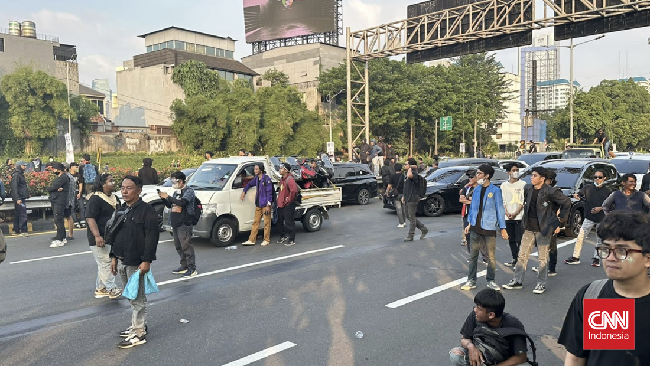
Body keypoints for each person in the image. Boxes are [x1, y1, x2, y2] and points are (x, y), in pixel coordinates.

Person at [558, 212, 650, 366]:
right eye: (606, 249)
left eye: (622, 250)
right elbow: (575, 357)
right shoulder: (591, 294)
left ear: (647, 259)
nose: (610, 257)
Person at [503, 167, 570, 294]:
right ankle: (517, 281)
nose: (531, 177)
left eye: (534, 175)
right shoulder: (528, 188)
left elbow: (566, 202)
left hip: (543, 229)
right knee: (521, 256)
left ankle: (541, 284)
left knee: (542, 258)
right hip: (529, 228)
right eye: (531, 175)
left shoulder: (551, 191)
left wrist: (559, 221)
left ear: (542, 178)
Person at [110, 175, 159, 349]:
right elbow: (116, 235)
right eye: (122, 187)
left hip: (136, 263)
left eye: (129, 188)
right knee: (131, 297)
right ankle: (137, 325)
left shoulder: (147, 211)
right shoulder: (123, 209)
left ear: (139, 190)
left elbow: (151, 238)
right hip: (122, 260)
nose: (124, 191)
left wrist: (146, 261)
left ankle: (139, 333)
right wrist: (113, 256)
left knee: (137, 298)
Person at [449, 289, 528, 366]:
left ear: (491, 315)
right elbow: (464, 339)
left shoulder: (513, 325)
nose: (474, 309)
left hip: (504, 361)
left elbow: (521, 357)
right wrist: (471, 346)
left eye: (479, 308)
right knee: (456, 355)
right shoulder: (475, 316)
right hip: (482, 357)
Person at [460, 164, 508, 291]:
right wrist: (469, 224)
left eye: (479, 173)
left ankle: (491, 280)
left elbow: (500, 210)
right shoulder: (476, 189)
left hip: (489, 227)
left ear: (487, 176)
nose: (477, 176)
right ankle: (471, 280)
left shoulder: (495, 191)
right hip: (475, 226)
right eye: (477, 173)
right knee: (473, 256)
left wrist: (503, 228)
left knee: (491, 256)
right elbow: (473, 208)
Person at [86, 173, 122, 299]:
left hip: (111, 236)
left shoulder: (114, 198)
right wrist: (97, 236)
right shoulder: (95, 199)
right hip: (100, 237)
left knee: (103, 263)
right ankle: (111, 289)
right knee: (106, 262)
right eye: (110, 181)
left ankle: (101, 288)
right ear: (103, 184)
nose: (113, 183)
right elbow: (90, 218)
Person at [565, 169, 612, 267]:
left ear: (604, 178)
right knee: (580, 237)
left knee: (600, 240)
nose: (597, 179)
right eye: (595, 177)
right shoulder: (588, 188)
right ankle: (575, 257)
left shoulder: (607, 191)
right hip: (589, 217)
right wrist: (577, 196)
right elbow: (579, 194)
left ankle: (597, 259)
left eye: (599, 177)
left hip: (602, 218)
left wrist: (600, 208)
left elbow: (611, 205)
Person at [159, 171, 197, 277]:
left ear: (181, 181)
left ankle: (192, 268)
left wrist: (169, 197)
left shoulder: (189, 191)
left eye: (175, 180)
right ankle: (184, 266)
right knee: (178, 246)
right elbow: (171, 205)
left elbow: (182, 202)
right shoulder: (176, 192)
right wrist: (164, 198)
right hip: (176, 223)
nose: (173, 183)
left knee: (186, 246)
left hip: (184, 223)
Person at [459, 170, 488, 264]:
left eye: (472, 177)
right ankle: (472, 256)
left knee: (481, 236)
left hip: (479, 215)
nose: (470, 179)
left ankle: (486, 257)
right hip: (467, 214)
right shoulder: (467, 188)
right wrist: (470, 200)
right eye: (469, 177)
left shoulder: (481, 188)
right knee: (468, 236)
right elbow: (461, 199)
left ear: (477, 178)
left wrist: (469, 200)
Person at [241, 164, 274, 246]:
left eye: (256, 169)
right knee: (255, 222)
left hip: (265, 204)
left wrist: (268, 205)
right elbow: (249, 184)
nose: (255, 171)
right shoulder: (256, 179)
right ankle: (252, 239)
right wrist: (244, 191)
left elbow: (269, 193)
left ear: (261, 170)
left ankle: (266, 239)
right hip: (258, 204)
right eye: (255, 169)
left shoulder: (266, 179)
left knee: (267, 223)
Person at [501, 163, 525, 268]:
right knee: (511, 239)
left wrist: (515, 213)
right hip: (508, 217)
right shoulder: (504, 185)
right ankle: (514, 259)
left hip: (519, 217)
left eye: (517, 170)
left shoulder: (523, 184)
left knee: (520, 239)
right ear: (508, 172)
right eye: (513, 170)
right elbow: (503, 201)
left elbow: (523, 201)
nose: (516, 172)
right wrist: (507, 213)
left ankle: (521, 261)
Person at [402, 158, 428, 242]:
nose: (404, 166)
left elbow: (410, 176)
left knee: (411, 217)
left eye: (406, 164)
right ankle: (423, 228)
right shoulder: (407, 173)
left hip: (412, 198)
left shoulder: (414, 173)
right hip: (407, 197)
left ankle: (411, 235)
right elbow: (407, 187)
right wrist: (403, 196)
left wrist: (410, 167)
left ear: (410, 165)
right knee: (408, 216)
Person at [47, 162, 70, 248]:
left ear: (59, 170)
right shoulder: (60, 177)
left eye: (55, 169)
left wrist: (52, 189)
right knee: (58, 219)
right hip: (56, 200)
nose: (54, 170)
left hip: (59, 201)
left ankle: (60, 240)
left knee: (58, 219)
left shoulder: (63, 178)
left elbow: (52, 187)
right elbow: (54, 187)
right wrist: (55, 189)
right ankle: (62, 236)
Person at [277, 163, 298, 246]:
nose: (280, 169)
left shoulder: (290, 179)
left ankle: (292, 239)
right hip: (281, 204)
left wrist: (288, 200)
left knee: (289, 222)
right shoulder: (282, 179)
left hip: (288, 205)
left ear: (286, 170)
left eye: (281, 168)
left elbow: (294, 191)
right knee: (279, 221)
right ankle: (283, 236)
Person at [79, 154, 99, 227]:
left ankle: (89, 219)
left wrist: (80, 190)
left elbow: (81, 178)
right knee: (95, 201)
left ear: (84, 160)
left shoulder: (82, 167)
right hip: (95, 185)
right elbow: (98, 177)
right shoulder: (94, 166)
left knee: (88, 202)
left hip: (87, 186)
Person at [10, 161, 29, 237]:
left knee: (18, 214)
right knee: (22, 214)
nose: (25, 167)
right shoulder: (17, 175)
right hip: (19, 198)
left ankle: (16, 229)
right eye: (23, 165)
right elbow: (15, 188)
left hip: (20, 197)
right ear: (19, 166)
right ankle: (23, 230)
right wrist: (17, 198)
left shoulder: (19, 174)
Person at [387, 163, 406, 228]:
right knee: (403, 208)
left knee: (399, 209)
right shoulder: (403, 176)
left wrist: (387, 192)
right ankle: (404, 221)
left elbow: (389, 186)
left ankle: (401, 223)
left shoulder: (393, 176)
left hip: (396, 194)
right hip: (403, 193)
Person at [64, 163, 79, 241]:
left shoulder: (67, 177)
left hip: (67, 200)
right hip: (71, 199)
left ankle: (70, 234)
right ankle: (70, 234)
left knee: (69, 217)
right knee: (69, 216)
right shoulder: (71, 177)